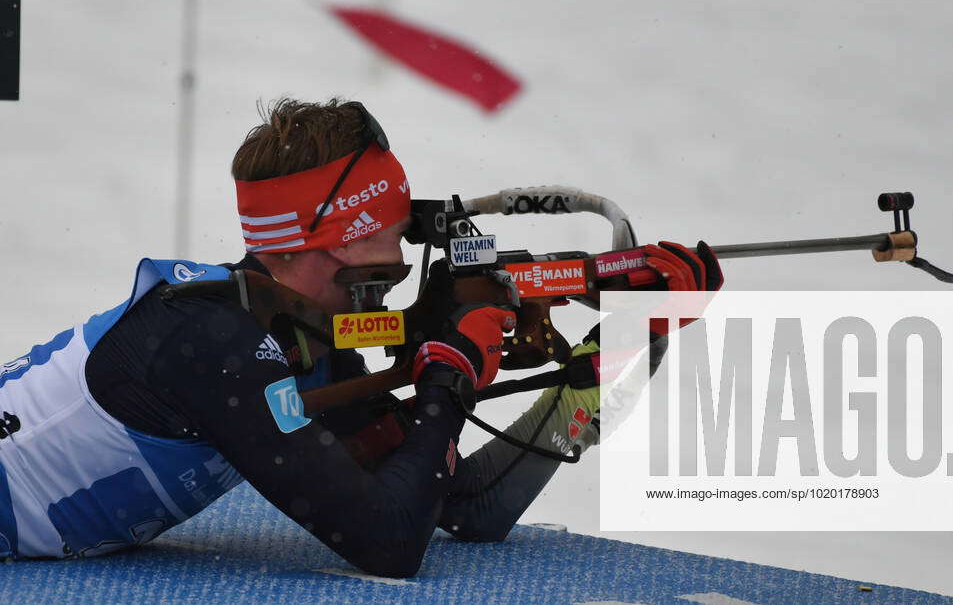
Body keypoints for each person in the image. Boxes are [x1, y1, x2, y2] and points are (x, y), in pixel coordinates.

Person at [0, 98, 722, 576]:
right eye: (394, 223)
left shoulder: (293, 331)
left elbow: (462, 504)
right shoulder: (217, 342)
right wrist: (449, 369)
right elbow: (388, 543)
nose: (408, 241)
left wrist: (633, 347)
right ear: (339, 239)